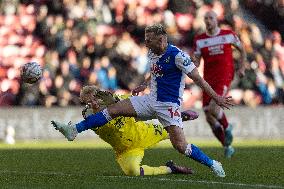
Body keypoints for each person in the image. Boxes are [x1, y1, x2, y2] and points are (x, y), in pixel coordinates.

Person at [52, 23, 234, 178]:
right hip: (149, 99)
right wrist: (144, 84)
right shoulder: (152, 53)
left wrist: (216, 97)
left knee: (180, 146)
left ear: (161, 39)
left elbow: (198, 79)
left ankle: (213, 163)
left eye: (149, 39)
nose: (146, 42)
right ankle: (73, 130)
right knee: (113, 110)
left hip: (168, 105)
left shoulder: (178, 56)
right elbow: (155, 72)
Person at [59, 85, 197, 176]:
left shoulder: (120, 101)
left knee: (172, 132)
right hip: (126, 150)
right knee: (133, 171)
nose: (93, 103)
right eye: (88, 103)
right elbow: (90, 118)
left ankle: (181, 117)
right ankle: (170, 169)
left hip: (144, 133)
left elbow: (145, 106)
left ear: (101, 95)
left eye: (95, 99)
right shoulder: (89, 117)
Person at [193, 11, 247, 158]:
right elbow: (197, 60)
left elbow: (242, 50)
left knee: (212, 108)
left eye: (211, 18)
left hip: (224, 76)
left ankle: (228, 126)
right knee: (208, 116)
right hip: (207, 80)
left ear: (216, 20)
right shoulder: (199, 40)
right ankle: (227, 146)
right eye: (206, 18)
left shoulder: (228, 35)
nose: (208, 20)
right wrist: (193, 62)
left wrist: (241, 67)